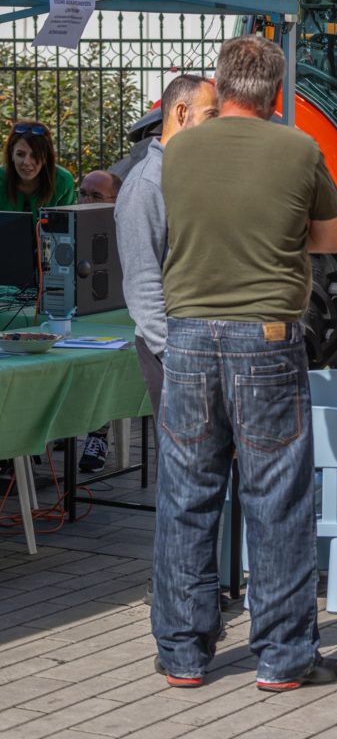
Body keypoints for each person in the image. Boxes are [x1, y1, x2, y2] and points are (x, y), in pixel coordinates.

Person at [153, 36, 337, 691]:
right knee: (277, 498)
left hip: (185, 340)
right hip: (264, 339)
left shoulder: (177, 151)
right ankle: (284, 658)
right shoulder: (298, 148)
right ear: (275, 91)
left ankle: (181, 653)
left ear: (220, 83)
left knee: (186, 494)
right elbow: (330, 237)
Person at [114, 75, 218, 428]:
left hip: (203, 342)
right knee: (185, 466)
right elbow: (142, 281)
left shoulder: (196, 174)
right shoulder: (146, 184)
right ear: (181, 112)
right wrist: (174, 352)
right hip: (175, 349)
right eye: (212, 116)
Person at [76, 169, 124, 473]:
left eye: (96, 196)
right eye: (83, 193)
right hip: (73, 313)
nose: (85, 200)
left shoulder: (125, 229)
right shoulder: (65, 224)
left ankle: (98, 434)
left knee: (103, 365)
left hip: (115, 317)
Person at [0, 120, 74, 222]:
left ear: (45, 157)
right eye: (20, 154)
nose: (27, 162)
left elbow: (67, 229)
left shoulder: (63, 181)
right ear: (12, 154)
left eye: (35, 155)